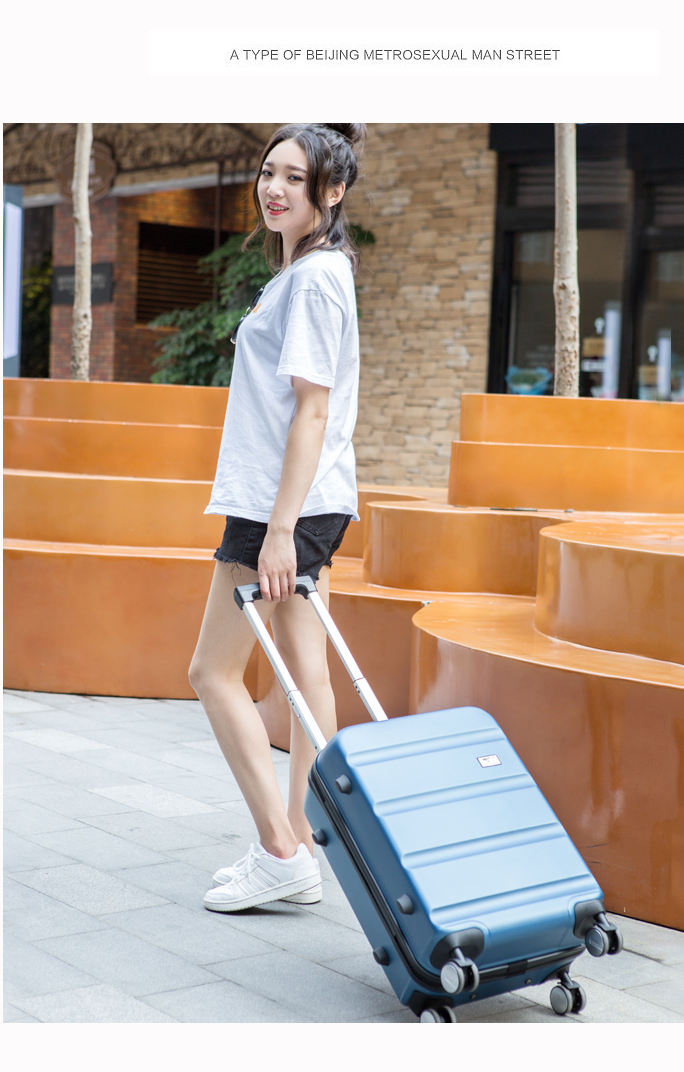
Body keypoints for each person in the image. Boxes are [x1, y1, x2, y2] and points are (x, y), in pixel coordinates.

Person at [188, 123, 366, 912]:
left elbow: (312, 411)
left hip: (280, 509)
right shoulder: (304, 273)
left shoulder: (315, 279)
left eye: (296, 177)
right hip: (301, 502)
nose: (275, 188)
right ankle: (297, 845)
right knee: (305, 676)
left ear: (333, 191)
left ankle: (278, 847)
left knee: (211, 672)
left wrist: (282, 530)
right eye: (270, 172)